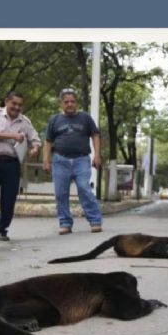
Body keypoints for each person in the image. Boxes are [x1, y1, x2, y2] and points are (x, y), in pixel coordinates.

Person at [43, 88, 103, 235]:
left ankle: (95, 221)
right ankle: (65, 223)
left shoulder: (85, 118)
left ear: (76, 103)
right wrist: (46, 160)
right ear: (61, 104)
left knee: (84, 188)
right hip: (60, 160)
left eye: (72, 101)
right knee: (61, 193)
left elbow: (95, 136)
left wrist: (97, 155)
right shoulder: (55, 120)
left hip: (81, 160)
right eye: (66, 102)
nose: (69, 104)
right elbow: (48, 141)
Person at [0, 91, 41, 241]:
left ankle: (2, 230)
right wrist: (13, 136)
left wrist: (34, 148)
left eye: (20, 105)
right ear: (6, 101)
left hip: (12, 165)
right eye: (14, 103)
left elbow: (35, 140)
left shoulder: (25, 122)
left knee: (9, 200)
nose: (16, 107)